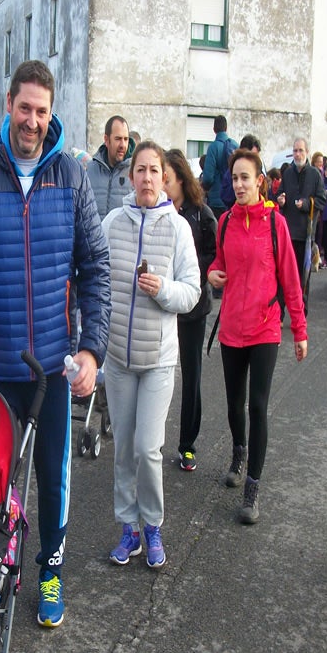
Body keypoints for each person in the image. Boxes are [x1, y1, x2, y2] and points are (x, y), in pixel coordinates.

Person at [0, 60, 111, 629]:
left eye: (42, 111)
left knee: (53, 476)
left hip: (54, 367)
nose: (32, 121)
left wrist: (91, 350)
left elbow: (96, 269)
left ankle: (51, 569)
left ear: (50, 112)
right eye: (24, 109)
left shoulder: (72, 178)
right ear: (8, 104)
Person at [104, 141, 200, 567]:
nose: (146, 178)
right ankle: (128, 529)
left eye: (153, 171)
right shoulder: (112, 224)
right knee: (123, 448)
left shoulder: (177, 228)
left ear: (165, 179)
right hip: (118, 360)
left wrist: (163, 290)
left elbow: (193, 292)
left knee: (148, 449)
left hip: (159, 360)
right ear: (131, 177)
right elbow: (94, 283)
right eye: (140, 170)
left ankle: (153, 526)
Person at [208, 149, 308, 524]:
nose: (238, 185)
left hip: (265, 326)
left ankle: (253, 488)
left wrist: (299, 329)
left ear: (259, 181)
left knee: (258, 406)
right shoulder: (225, 222)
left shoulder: (274, 224)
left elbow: (291, 280)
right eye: (234, 178)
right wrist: (212, 274)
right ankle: (238, 452)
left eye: (245, 178)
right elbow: (219, 262)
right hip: (231, 327)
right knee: (234, 404)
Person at [163, 148, 217, 472]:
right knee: (159, 372)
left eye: (166, 178)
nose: (162, 184)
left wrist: (195, 273)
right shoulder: (156, 211)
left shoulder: (201, 213)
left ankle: (187, 445)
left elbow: (214, 253)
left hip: (194, 308)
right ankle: (150, 443)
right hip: (163, 307)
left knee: (191, 375)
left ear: (181, 179)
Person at [277, 138, 326, 311]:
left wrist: (306, 204)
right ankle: (281, 312)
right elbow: (279, 193)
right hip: (289, 232)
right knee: (284, 274)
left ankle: (300, 311)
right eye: (295, 150)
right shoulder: (288, 173)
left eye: (301, 151)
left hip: (306, 233)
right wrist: (281, 199)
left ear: (307, 152)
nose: (297, 154)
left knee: (303, 276)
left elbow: (322, 199)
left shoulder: (315, 174)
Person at [87, 115, 135, 215]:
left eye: (126, 139)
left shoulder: (135, 173)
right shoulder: (89, 171)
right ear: (106, 140)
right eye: (118, 139)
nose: (123, 145)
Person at [201, 115, 236, 215]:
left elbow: (208, 178)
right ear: (226, 128)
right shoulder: (235, 145)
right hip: (233, 198)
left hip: (217, 201)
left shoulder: (213, 147)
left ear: (214, 129)